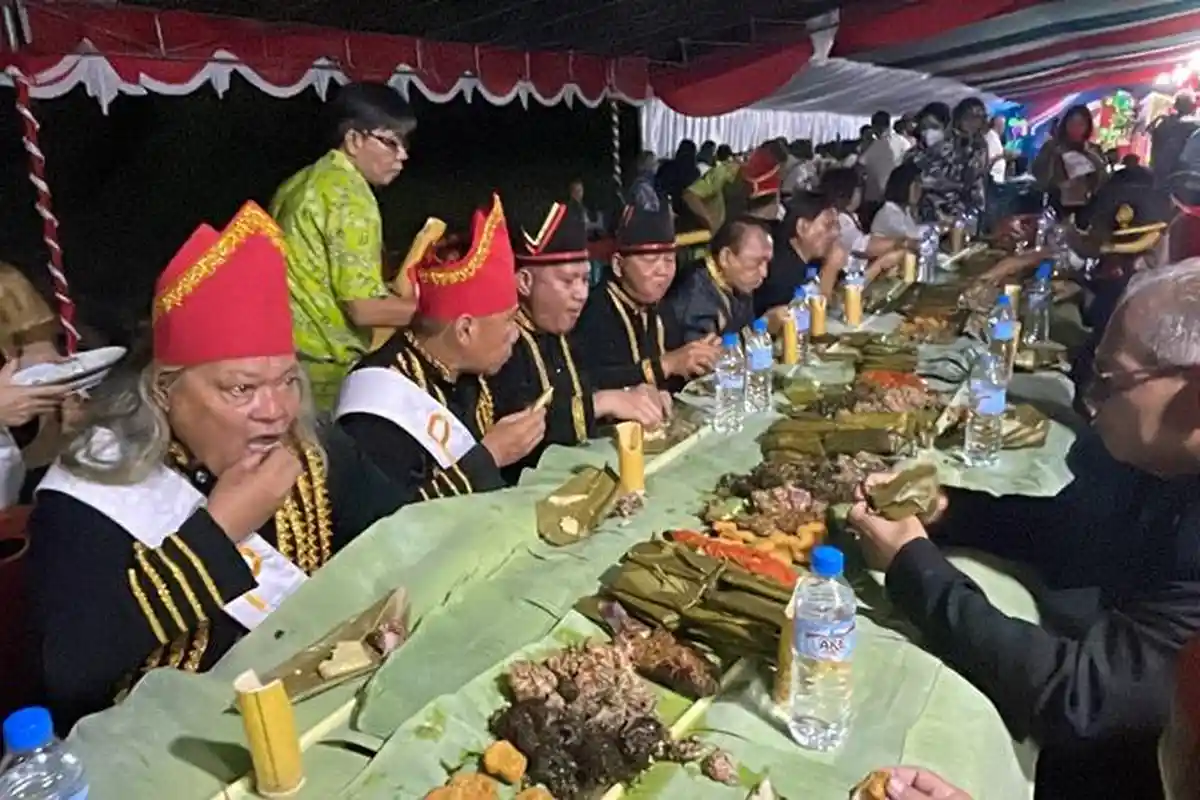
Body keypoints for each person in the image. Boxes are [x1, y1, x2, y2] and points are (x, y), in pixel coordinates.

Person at [27, 202, 405, 726]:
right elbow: (70, 673)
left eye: (287, 381)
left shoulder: (308, 447)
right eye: (241, 389)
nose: (274, 411)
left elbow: (401, 531)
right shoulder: (87, 495)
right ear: (165, 390)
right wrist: (219, 530)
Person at [846, 257, 1200, 799]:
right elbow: (1077, 533)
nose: (1090, 401)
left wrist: (914, 569)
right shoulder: (1165, 463)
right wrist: (946, 511)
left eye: (1109, 381)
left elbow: (1081, 697)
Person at [336, 195, 542, 503]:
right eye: (510, 320)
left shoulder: (472, 371)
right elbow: (391, 527)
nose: (516, 334)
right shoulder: (375, 414)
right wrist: (489, 458)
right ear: (465, 330)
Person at [489, 200, 666, 483]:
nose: (581, 294)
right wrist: (603, 401)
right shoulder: (501, 344)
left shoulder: (561, 329)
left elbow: (590, 380)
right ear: (524, 282)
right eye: (568, 281)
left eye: (585, 279)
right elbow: (520, 429)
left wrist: (634, 393)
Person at [270, 82, 419, 411]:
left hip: (283, 362)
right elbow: (364, 308)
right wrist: (437, 313)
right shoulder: (350, 197)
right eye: (390, 143)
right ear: (354, 140)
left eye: (405, 144)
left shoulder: (298, 183)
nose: (403, 155)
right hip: (327, 372)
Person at [573, 204, 720, 391]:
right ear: (618, 265)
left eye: (669, 260)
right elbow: (591, 380)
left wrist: (699, 361)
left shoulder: (662, 306)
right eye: (650, 260)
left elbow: (677, 366)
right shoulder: (592, 310)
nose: (663, 271)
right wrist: (665, 366)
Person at [664, 218, 771, 343]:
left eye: (767, 262)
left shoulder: (737, 283)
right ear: (725, 257)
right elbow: (705, 357)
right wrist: (765, 324)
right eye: (756, 262)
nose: (764, 273)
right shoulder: (695, 296)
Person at [754, 190, 842, 317]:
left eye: (837, 224)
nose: (836, 232)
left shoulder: (815, 257)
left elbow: (845, 292)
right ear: (802, 227)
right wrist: (830, 269)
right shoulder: (779, 268)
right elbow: (810, 318)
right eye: (828, 225)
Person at [905, 100, 988, 223]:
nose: (972, 123)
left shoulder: (979, 145)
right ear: (958, 117)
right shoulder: (945, 142)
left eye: (977, 119)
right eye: (968, 118)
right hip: (937, 208)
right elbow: (918, 167)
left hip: (967, 208)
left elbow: (976, 175)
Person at [819, 167, 909, 281]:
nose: (860, 194)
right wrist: (900, 243)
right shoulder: (839, 221)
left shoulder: (850, 216)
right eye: (857, 190)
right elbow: (864, 247)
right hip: (848, 282)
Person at [1031, 104, 1108, 217]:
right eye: (1072, 123)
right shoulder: (1052, 147)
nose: (1075, 128)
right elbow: (1038, 175)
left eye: (1081, 124)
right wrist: (1054, 158)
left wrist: (1092, 158)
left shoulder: (1093, 150)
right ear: (1065, 124)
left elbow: (1103, 181)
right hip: (1057, 204)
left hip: (1086, 206)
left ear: (1087, 127)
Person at [861, 110, 913, 207]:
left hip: (874, 197)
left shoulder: (872, 145)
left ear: (874, 127)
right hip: (896, 195)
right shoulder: (903, 143)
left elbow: (860, 167)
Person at [1151, 92, 1200, 186]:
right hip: (1186, 177)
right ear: (1193, 106)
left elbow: (1155, 148)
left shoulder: (1162, 124)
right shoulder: (1196, 125)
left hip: (1162, 173)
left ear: (1175, 106)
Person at [871, 161, 924, 240]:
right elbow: (912, 238)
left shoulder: (905, 211)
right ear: (902, 186)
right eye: (916, 186)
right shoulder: (889, 215)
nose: (920, 191)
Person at [655, 139, 700, 215]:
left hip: (663, 207)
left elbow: (658, 184)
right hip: (685, 211)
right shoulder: (695, 172)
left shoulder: (666, 166)